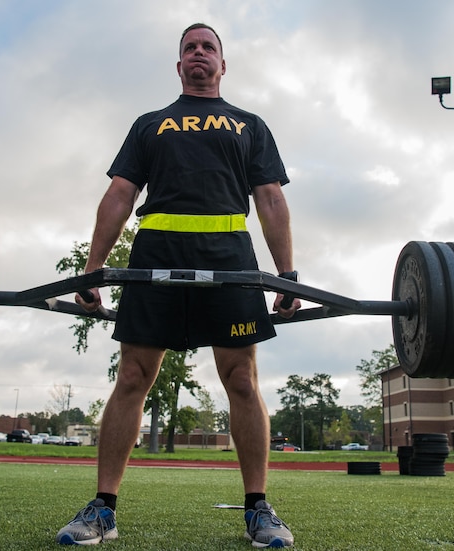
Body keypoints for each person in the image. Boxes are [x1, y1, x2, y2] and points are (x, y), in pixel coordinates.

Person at [56, 24, 299, 548]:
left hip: (230, 260)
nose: (198, 53)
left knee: (241, 379)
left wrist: (286, 273)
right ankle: (103, 510)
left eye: (208, 47)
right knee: (133, 377)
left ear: (222, 64)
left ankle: (258, 509)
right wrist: (94, 267)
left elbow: (271, 200)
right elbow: (120, 196)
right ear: (179, 64)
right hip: (156, 258)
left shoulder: (248, 125)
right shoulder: (151, 125)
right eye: (189, 47)